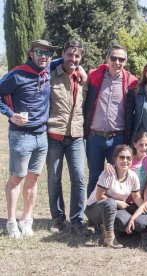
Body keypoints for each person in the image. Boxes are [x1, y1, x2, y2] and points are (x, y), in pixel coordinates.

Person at [0, 39, 58, 238]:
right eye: (40, 52)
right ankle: (11, 222)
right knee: (17, 178)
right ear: (31, 53)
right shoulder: (17, 74)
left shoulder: (48, 71)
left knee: (33, 179)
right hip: (21, 135)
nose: (44, 56)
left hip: (41, 136)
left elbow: (70, 62)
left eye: (48, 53)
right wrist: (10, 114)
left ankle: (27, 219)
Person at [83, 44, 138, 197]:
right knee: (94, 177)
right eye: (113, 58)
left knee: (117, 177)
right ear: (107, 58)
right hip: (95, 137)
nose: (117, 62)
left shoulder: (132, 82)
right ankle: (93, 216)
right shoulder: (94, 76)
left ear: (126, 61)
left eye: (121, 59)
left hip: (118, 138)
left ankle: (113, 216)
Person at [46, 40, 89, 236]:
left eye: (77, 56)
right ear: (63, 54)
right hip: (54, 134)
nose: (73, 59)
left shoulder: (83, 79)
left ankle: (77, 220)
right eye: (70, 54)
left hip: (76, 136)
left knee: (79, 178)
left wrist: (82, 73)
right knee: (54, 178)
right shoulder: (50, 74)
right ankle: (57, 217)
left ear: (81, 58)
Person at [85, 145, 143, 248]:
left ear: (132, 159)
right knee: (110, 203)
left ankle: (106, 227)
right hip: (95, 208)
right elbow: (99, 196)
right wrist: (118, 202)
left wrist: (144, 206)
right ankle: (109, 239)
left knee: (133, 223)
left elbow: (136, 196)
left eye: (128, 158)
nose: (125, 160)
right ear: (115, 158)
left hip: (115, 209)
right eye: (121, 157)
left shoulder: (133, 176)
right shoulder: (109, 173)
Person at [130, 131, 147, 198]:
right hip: (127, 196)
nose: (144, 148)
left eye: (146, 145)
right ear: (135, 145)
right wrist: (109, 166)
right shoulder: (129, 159)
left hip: (143, 197)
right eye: (140, 144)